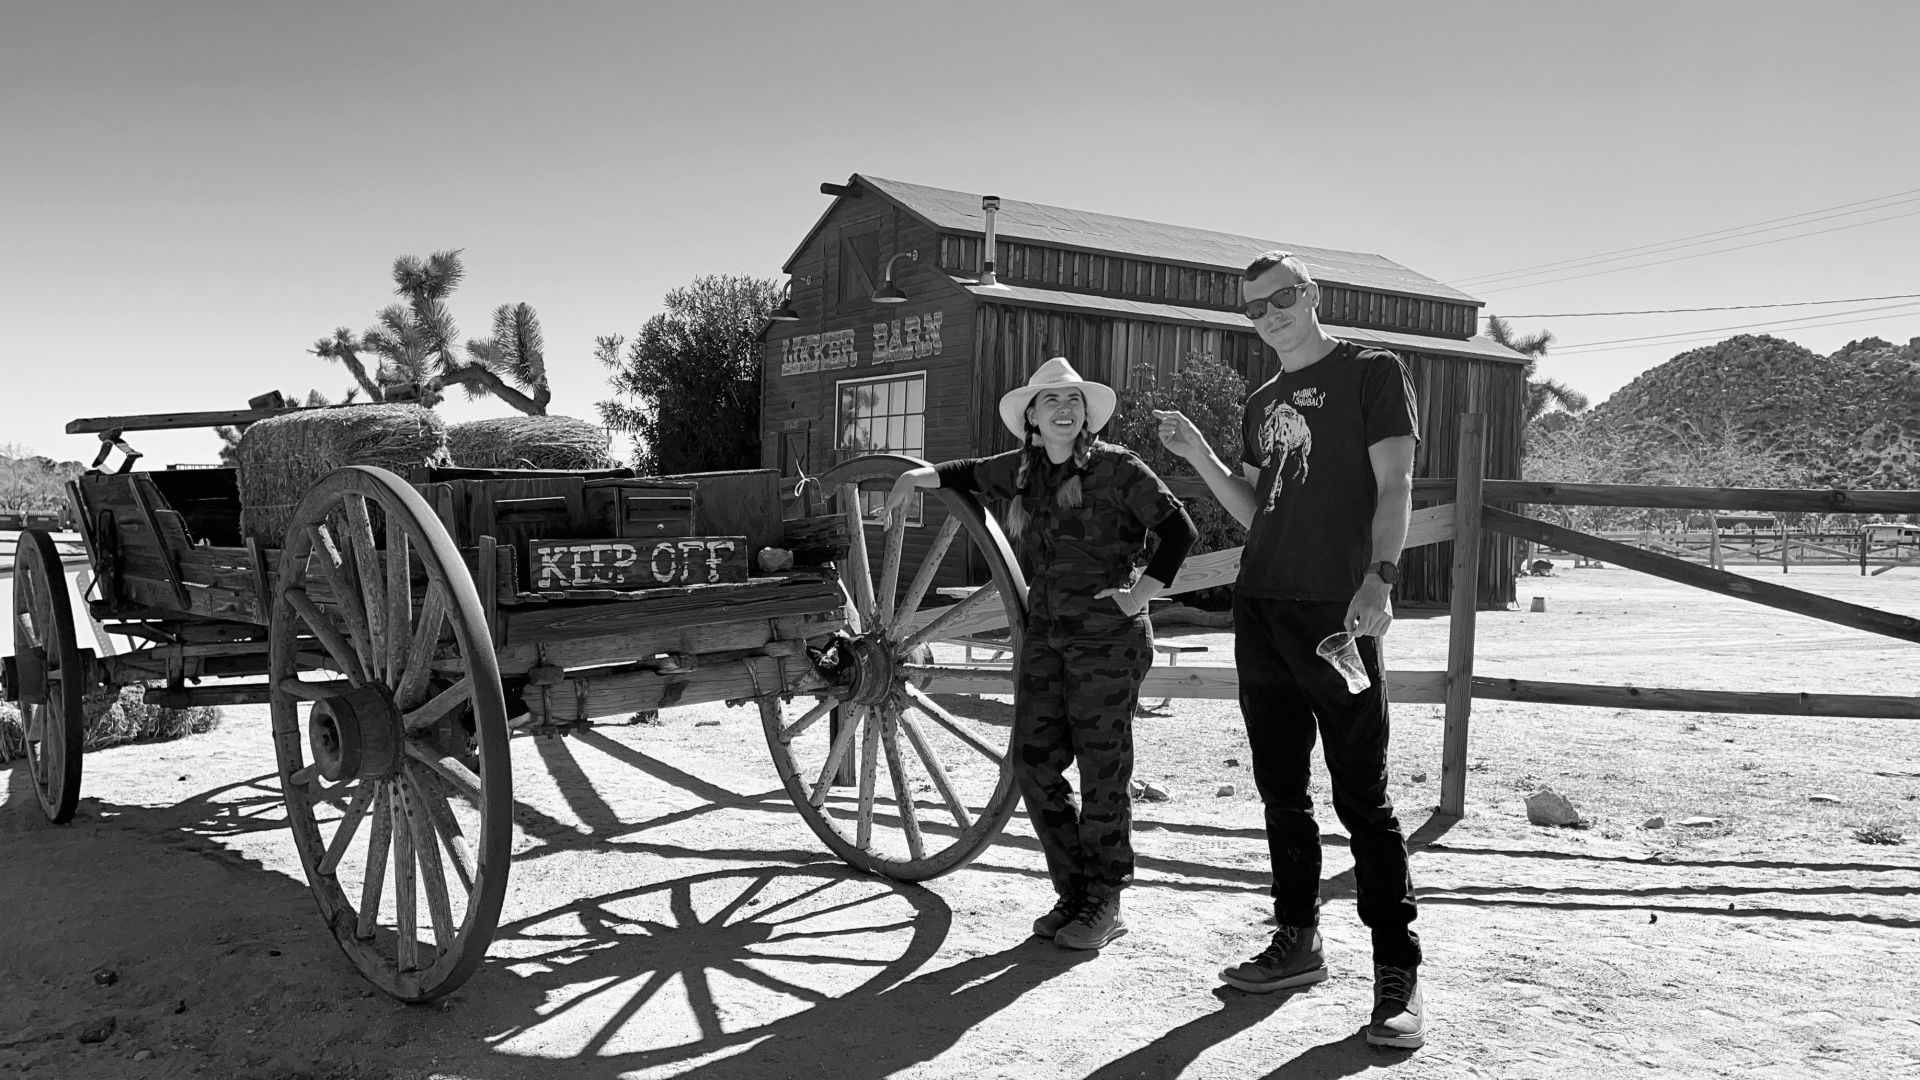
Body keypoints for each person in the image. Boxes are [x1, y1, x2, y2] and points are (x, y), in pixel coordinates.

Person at [1155, 250, 1426, 1049]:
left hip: (1337, 613)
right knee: (1282, 790)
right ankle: (1297, 940)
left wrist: (1380, 577)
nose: (1268, 316)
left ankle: (1397, 973)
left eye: (1280, 299)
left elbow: (1396, 486)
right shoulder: (1261, 400)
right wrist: (1199, 457)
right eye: (1253, 308)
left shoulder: (1371, 372)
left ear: (1311, 295)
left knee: (1363, 798)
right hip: (1263, 609)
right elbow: (1257, 508)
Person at [883, 357, 1196, 951]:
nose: (1064, 409)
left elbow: (1179, 530)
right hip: (1048, 638)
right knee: (1032, 761)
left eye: (1073, 400)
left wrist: (1139, 595)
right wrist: (916, 477)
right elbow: (970, 473)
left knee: (1103, 771)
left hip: (1107, 641)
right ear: (1032, 416)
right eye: (1051, 400)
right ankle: (1074, 892)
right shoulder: (1026, 470)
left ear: (1086, 415)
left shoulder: (1118, 468)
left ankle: (1105, 898)